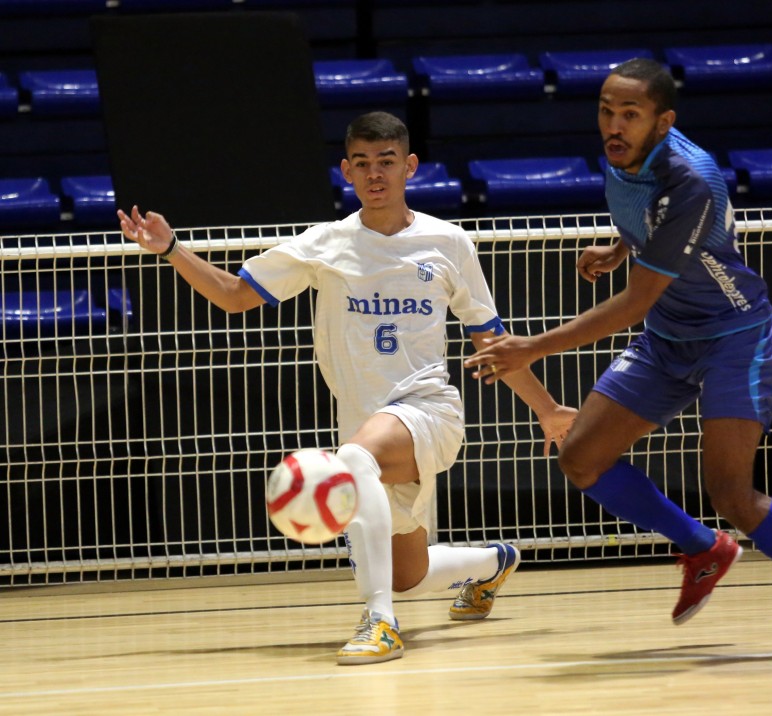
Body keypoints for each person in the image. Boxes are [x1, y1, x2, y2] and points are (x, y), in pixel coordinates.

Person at [464, 58, 772, 655]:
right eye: (606, 112)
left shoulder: (690, 177)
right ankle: (702, 547)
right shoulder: (626, 156)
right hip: (670, 333)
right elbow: (654, 227)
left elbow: (638, 301)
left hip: (731, 335)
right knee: (580, 456)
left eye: (630, 115)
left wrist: (531, 347)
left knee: (732, 494)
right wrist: (622, 246)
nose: (614, 125)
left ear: (663, 121)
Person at [118, 111, 577, 665]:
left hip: (428, 411)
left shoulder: (449, 242)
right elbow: (235, 295)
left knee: (353, 459)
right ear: (346, 172)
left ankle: (380, 623)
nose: (374, 173)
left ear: (409, 166)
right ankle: (493, 561)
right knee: (409, 573)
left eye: (386, 162)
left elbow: (492, 341)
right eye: (362, 163)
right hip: (365, 423)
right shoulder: (325, 244)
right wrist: (171, 249)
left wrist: (548, 409)